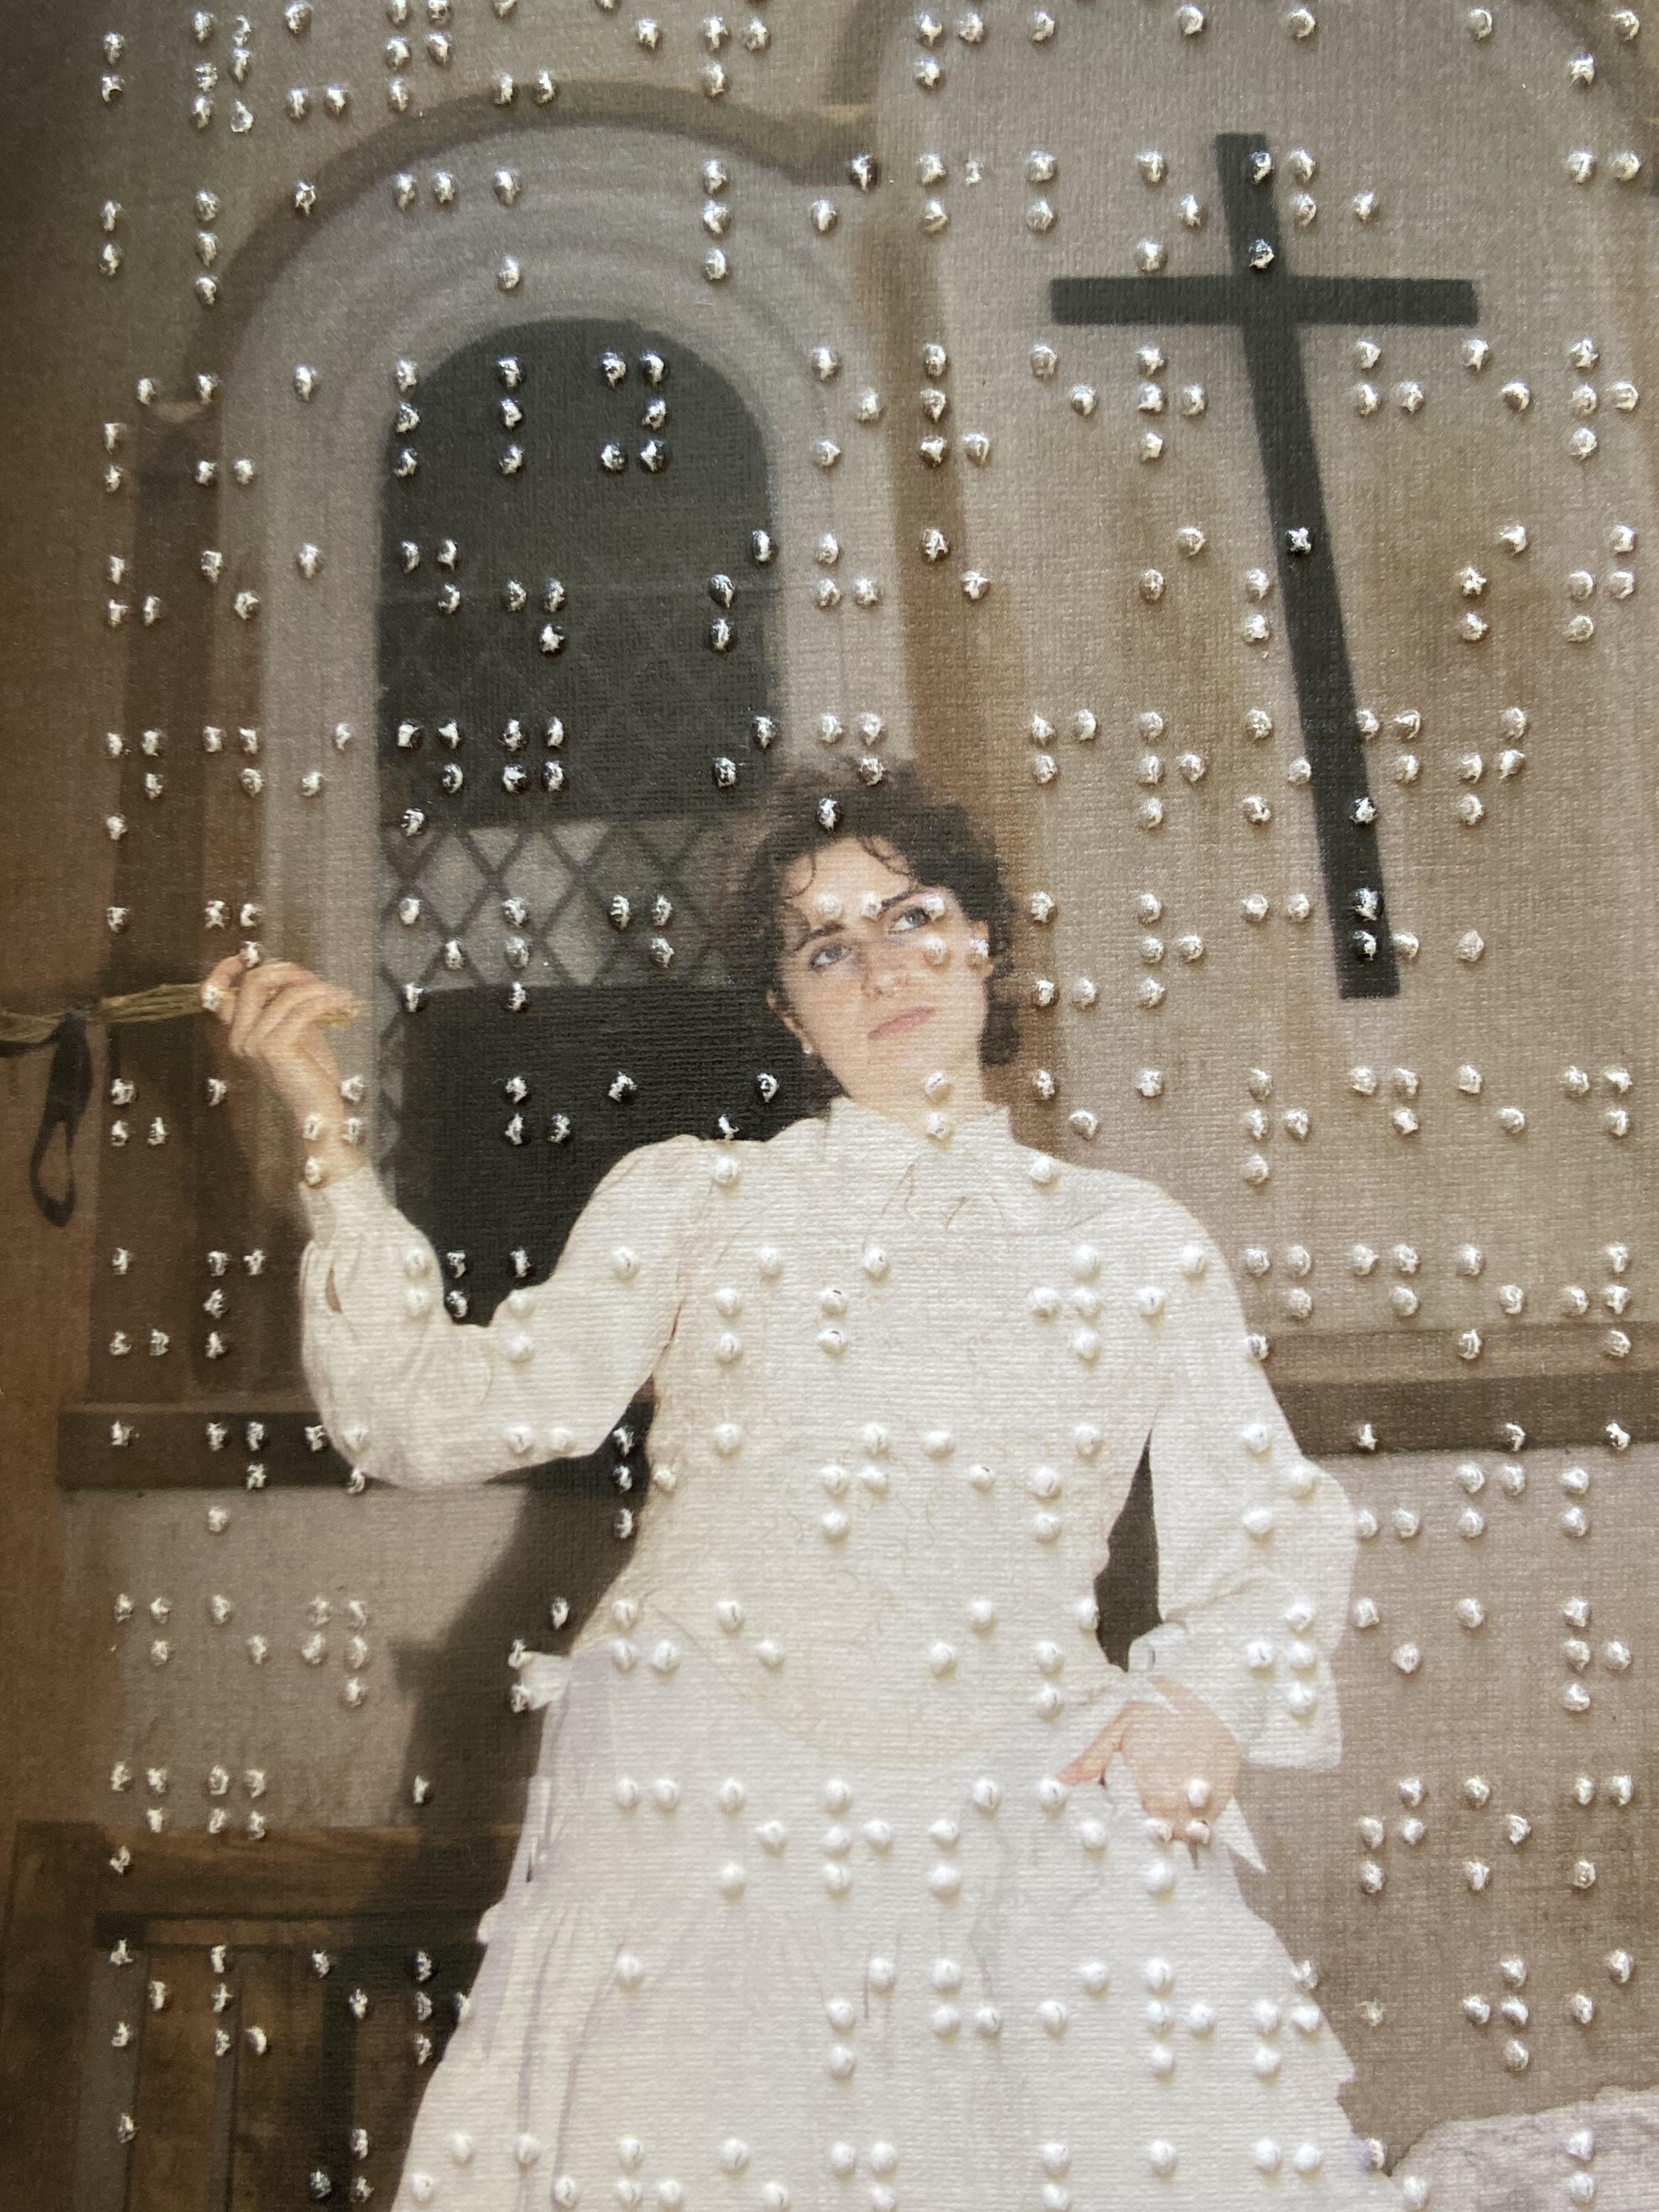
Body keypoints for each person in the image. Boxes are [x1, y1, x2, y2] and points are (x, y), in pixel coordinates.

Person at [205, 770, 1398, 2208]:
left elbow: (1270, 1523)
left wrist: (1207, 1700)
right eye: (829, 948)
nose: (883, 969)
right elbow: (427, 1417)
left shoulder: (1135, 1242)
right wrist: (326, 1135)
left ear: (985, 942)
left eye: (913, 917)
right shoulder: (693, 1200)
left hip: (1022, 1799)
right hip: (710, 1795)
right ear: (786, 1012)